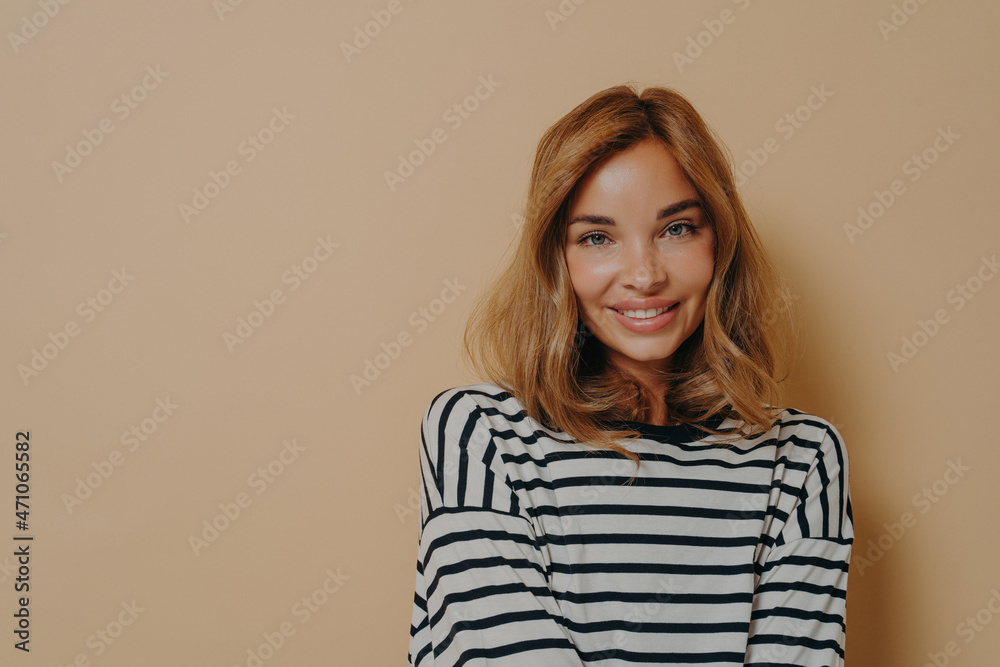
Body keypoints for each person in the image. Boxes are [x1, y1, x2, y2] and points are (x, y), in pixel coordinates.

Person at [407, 84, 854, 666]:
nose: (644, 275)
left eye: (677, 228)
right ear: (557, 261)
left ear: (720, 243)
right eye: (598, 238)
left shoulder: (801, 459)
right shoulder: (481, 435)